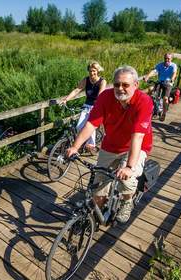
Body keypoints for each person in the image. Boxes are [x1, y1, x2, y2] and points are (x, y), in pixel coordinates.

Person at [66, 65, 153, 224]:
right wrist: (75, 147)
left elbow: (138, 137)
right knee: (98, 188)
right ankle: (92, 218)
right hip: (110, 145)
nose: (120, 88)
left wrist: (128, 166)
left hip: (135, 147)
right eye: (117, 84)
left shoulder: (144, 102)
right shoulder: (105, 97)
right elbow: (91, 124)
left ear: (136, 85)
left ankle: (127, 202)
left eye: (125, 85)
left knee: (127, 179)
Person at [61, 61, 107, 152]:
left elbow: (100, 95)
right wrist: (66, 99)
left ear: (97, 71)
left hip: (97, 105)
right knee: (79, 127)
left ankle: (91, 145)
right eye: (90, 71)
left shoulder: (102, 81)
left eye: (94, 71)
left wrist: (96, 107)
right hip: (86, 105)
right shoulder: (86, 80)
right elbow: (77, 90)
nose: (92, 73)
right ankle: (84, 141)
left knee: (90, 125)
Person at [142, 53, 177, 120]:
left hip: (168, 83)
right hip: (160, 82)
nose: (166, 60)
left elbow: (174, 73)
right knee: (150, 90)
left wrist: (171, 80)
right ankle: (150, 107)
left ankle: (164, 114)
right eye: (165, 58)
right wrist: (147, 76)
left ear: (171, 59)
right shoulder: (160, 65)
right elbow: (154, 71)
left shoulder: (173, 65)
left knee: (165, 98)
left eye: (168, 59)